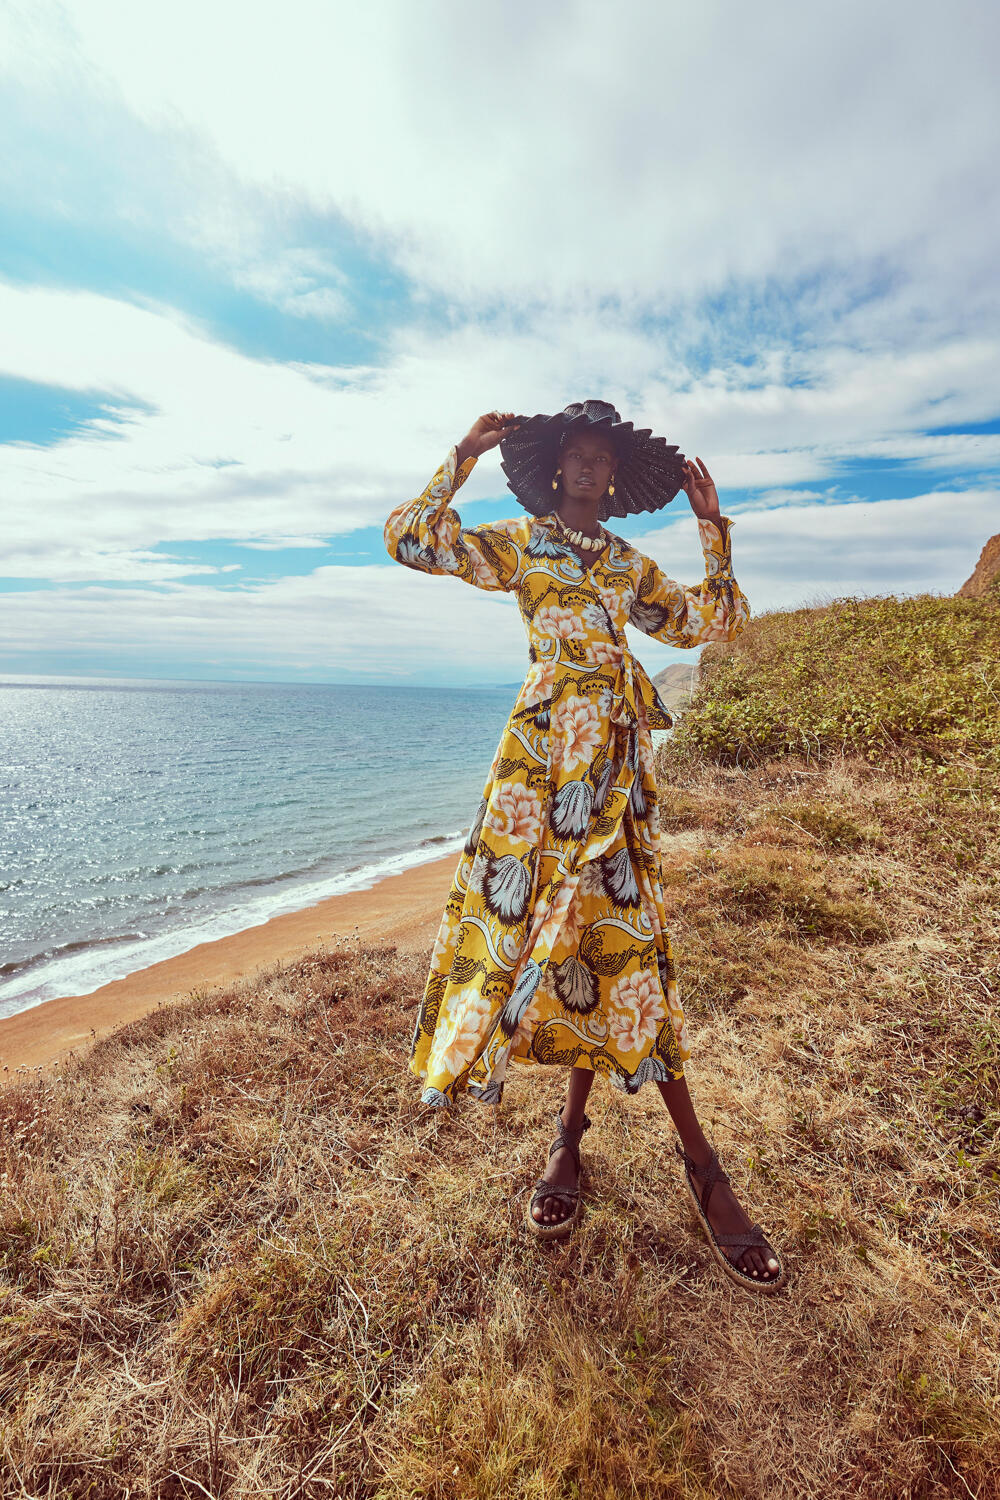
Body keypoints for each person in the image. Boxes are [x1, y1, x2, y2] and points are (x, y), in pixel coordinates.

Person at [383, 401, 786, 1292]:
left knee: (627, 949)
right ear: (557, 468)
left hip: (611, 774)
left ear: (614, 478)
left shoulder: (629, 565)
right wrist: (460, 455)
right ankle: (568, 1144)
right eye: (580, 458)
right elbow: (411, 540)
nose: (592, 473)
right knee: (543, 946)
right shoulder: (519, 546)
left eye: (606, 462)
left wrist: (712, 528)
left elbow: (713, 626)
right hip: (537, 776)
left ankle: (700, 1167)